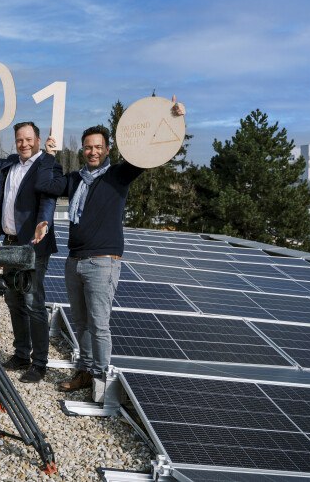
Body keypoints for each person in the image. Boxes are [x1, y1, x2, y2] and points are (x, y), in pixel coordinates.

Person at [37, 98, 185, 398]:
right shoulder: (76, 179)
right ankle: (85, 371)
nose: (92, 151)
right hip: (75, 260)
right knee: (81, 324)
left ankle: (101, 380)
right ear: (83, 149)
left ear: (107, 149)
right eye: (88, 147)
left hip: (102, 262)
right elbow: (46, 185)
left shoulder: (119, 175)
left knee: (99, 325)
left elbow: (150, 149)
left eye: (98, 147)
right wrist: (48, 155)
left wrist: (174, 118)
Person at [0, 116, 57, 383]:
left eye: (29, 139)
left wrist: (44, 221)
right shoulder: (9, 164)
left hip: (33, 245)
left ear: (38, 141)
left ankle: (39, 363)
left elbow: (48, 198)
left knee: (33, 302)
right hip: (9, 243)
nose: (24, 144)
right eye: (20, 139)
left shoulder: (46, 164)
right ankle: (21, 354)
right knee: (14, 300)